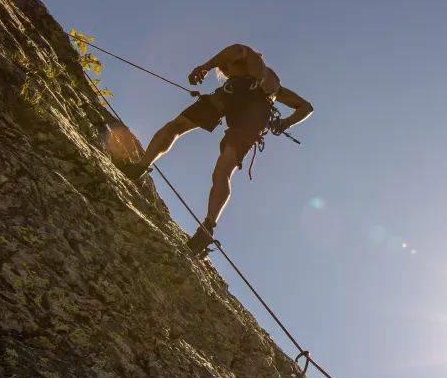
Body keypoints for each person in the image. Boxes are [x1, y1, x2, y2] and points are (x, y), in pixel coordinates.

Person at [119, 44, 313, 255]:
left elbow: (236, 50)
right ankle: (208, 227)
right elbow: (305, 107)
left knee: (175, 127)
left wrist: (205, 67)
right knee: (224, 170)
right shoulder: (274, 85)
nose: (224, 70)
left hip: (235, 95)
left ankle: (140, 166)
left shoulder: (247, 56)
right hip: (257, 113)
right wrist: (284, 123)